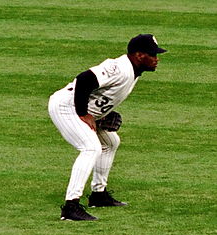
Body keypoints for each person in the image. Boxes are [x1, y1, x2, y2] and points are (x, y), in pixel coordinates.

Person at [48, 34, 167, 221]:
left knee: (110, 142)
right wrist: (84, 114)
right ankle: (71, 206)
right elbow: (84, 80)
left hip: (81, 107)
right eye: (152, 54)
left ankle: (98, 195)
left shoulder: (134, 70)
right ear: (139, 55)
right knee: (91, 147)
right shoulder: (119, 67)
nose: (156, 59)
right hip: (66, 106)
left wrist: (101, 116)